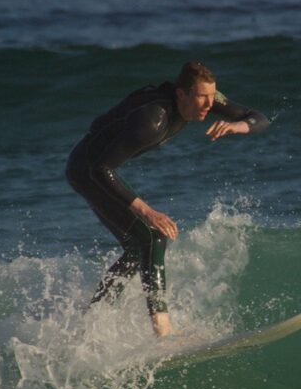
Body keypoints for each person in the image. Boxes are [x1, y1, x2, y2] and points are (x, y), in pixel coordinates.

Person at [65, 62, 269, 336]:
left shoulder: (203, 101)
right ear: (181, 95)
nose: (210, 105)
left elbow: (259, 117)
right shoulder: (152, 119)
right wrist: (148, 211)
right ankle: (162, 329)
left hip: (98, 169)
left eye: (213, 96)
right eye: (202, 97)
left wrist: (236, 126)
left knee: (138, 249)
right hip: (87, 171)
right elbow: (100, 169)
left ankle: (90, 321)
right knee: (152, 236)